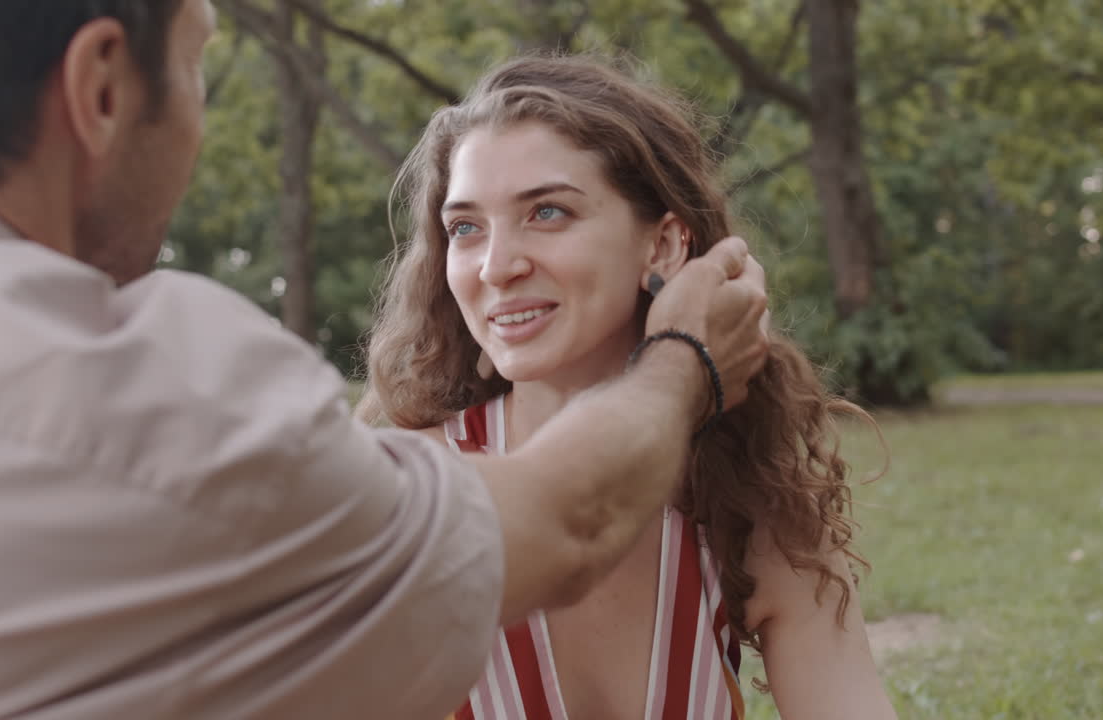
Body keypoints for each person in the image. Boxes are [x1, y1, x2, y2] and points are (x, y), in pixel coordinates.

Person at [0, 3, 770, 719]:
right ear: (105, 89)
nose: (498, 262)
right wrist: (684, 358)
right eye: (200, 62)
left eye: (550, 210)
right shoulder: (153, 395)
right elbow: (564, 527)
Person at [359, 55, 897, 720]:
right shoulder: (409, 487)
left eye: (548, 212)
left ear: (664, 245)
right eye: (465, 228)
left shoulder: (744, 496)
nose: (497, 266)